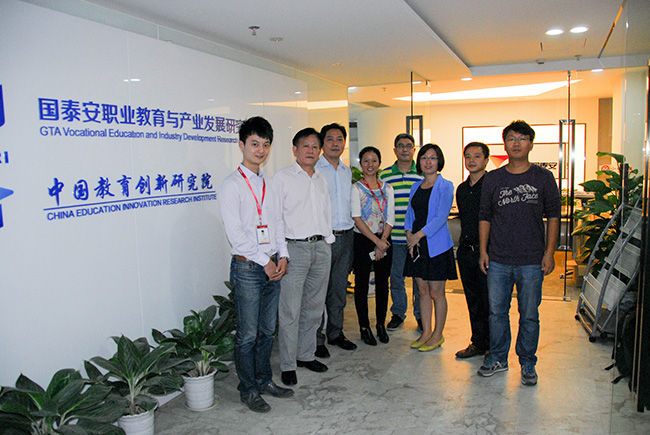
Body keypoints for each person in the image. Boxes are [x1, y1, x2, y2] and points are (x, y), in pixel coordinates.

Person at [218, 116, 294, 413]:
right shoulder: (231, 185)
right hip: (248, 269)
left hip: (272, 265)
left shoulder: (269, 183)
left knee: (266, 332)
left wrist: (283, 255)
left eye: (265, 144)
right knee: (247, 335)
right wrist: (265, 262)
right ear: (241, 145)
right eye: (254, 144)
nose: (260, 150)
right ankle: (248, 389)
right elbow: (236, 234)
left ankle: (264, 381)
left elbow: (277, 222)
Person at [477, 120, 561, 386]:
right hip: (498, 259)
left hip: (531, 260)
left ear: (531, 144)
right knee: (497, 313)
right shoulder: (493, 178)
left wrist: (549, 253)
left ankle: (527, 362)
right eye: (511, 138)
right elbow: (485, 217)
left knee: (530, 315)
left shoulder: (543, 177)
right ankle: (498, 358)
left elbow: (554, 217)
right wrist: (483, 251)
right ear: (505, 144)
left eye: (522, 138)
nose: (516, 143)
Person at [274, 127, 335, 386]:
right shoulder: (282, 178)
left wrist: (328, 241)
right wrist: (282, 253)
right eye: (305, 146)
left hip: (320, 247)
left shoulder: (321, 178)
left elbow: (326, 211)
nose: (310, 151)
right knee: (290, 310)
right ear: (295, 150)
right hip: (294, 249)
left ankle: (306, 355)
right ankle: (288, 364)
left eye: (315, 147)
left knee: (314, 308)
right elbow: (276, 218)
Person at [404, 143, 456, 352]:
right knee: (422, 291)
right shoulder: (416, 186)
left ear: (439, 161)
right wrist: (409, 234)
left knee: (436, 293)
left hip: (436, 245)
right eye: (424, 157)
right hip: (416, 245)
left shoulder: (446, 186)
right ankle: (426, 332)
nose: (428, 161)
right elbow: (410, 214)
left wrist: (417, 235)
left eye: (432, 158)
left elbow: (441, 217)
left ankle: (437, 334)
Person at [314, 123, 357, 359]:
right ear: (323, 143)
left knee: (339, 290)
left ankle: (336, 333)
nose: (335, 143)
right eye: (330, 139)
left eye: (339, 139)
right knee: (319, 292)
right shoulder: (314, 169)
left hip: (346, 236)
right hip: (323, 239)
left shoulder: (346, 171)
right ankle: (316, 339)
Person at [350, 146, 395, 345]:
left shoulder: (388, 189)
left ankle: (380, 325)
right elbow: (357, 218)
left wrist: (382, 241)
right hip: (363, 240)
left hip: (384, 238)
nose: (370, 164)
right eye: (366, 160)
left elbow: (391, 217)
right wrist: (377, 243)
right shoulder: (357, 188)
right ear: (361, 164)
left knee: (383, 284)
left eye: (374, 160)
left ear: (379, 163)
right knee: (361, 284)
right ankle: (364, 326)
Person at [380, 133, 423, 332]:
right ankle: (398, 313)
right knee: (396, 277)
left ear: (414, 149)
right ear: (394, 150)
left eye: (408, 145)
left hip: (418, 238)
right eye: (400, 146)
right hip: (395, 238)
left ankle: (421, 315)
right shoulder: (385, 175)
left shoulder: (422, 173)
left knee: (419, 280)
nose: (404, 149)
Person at [455, 142, 491, 359]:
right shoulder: (461, 189)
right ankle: (477, 342)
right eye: (468, 156)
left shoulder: (493, 185)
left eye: (477, 156)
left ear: (486, 160)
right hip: (465, 252)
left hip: (487, 253)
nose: (471, 160)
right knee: (472, 299)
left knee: (490, 302)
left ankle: (493, 347)